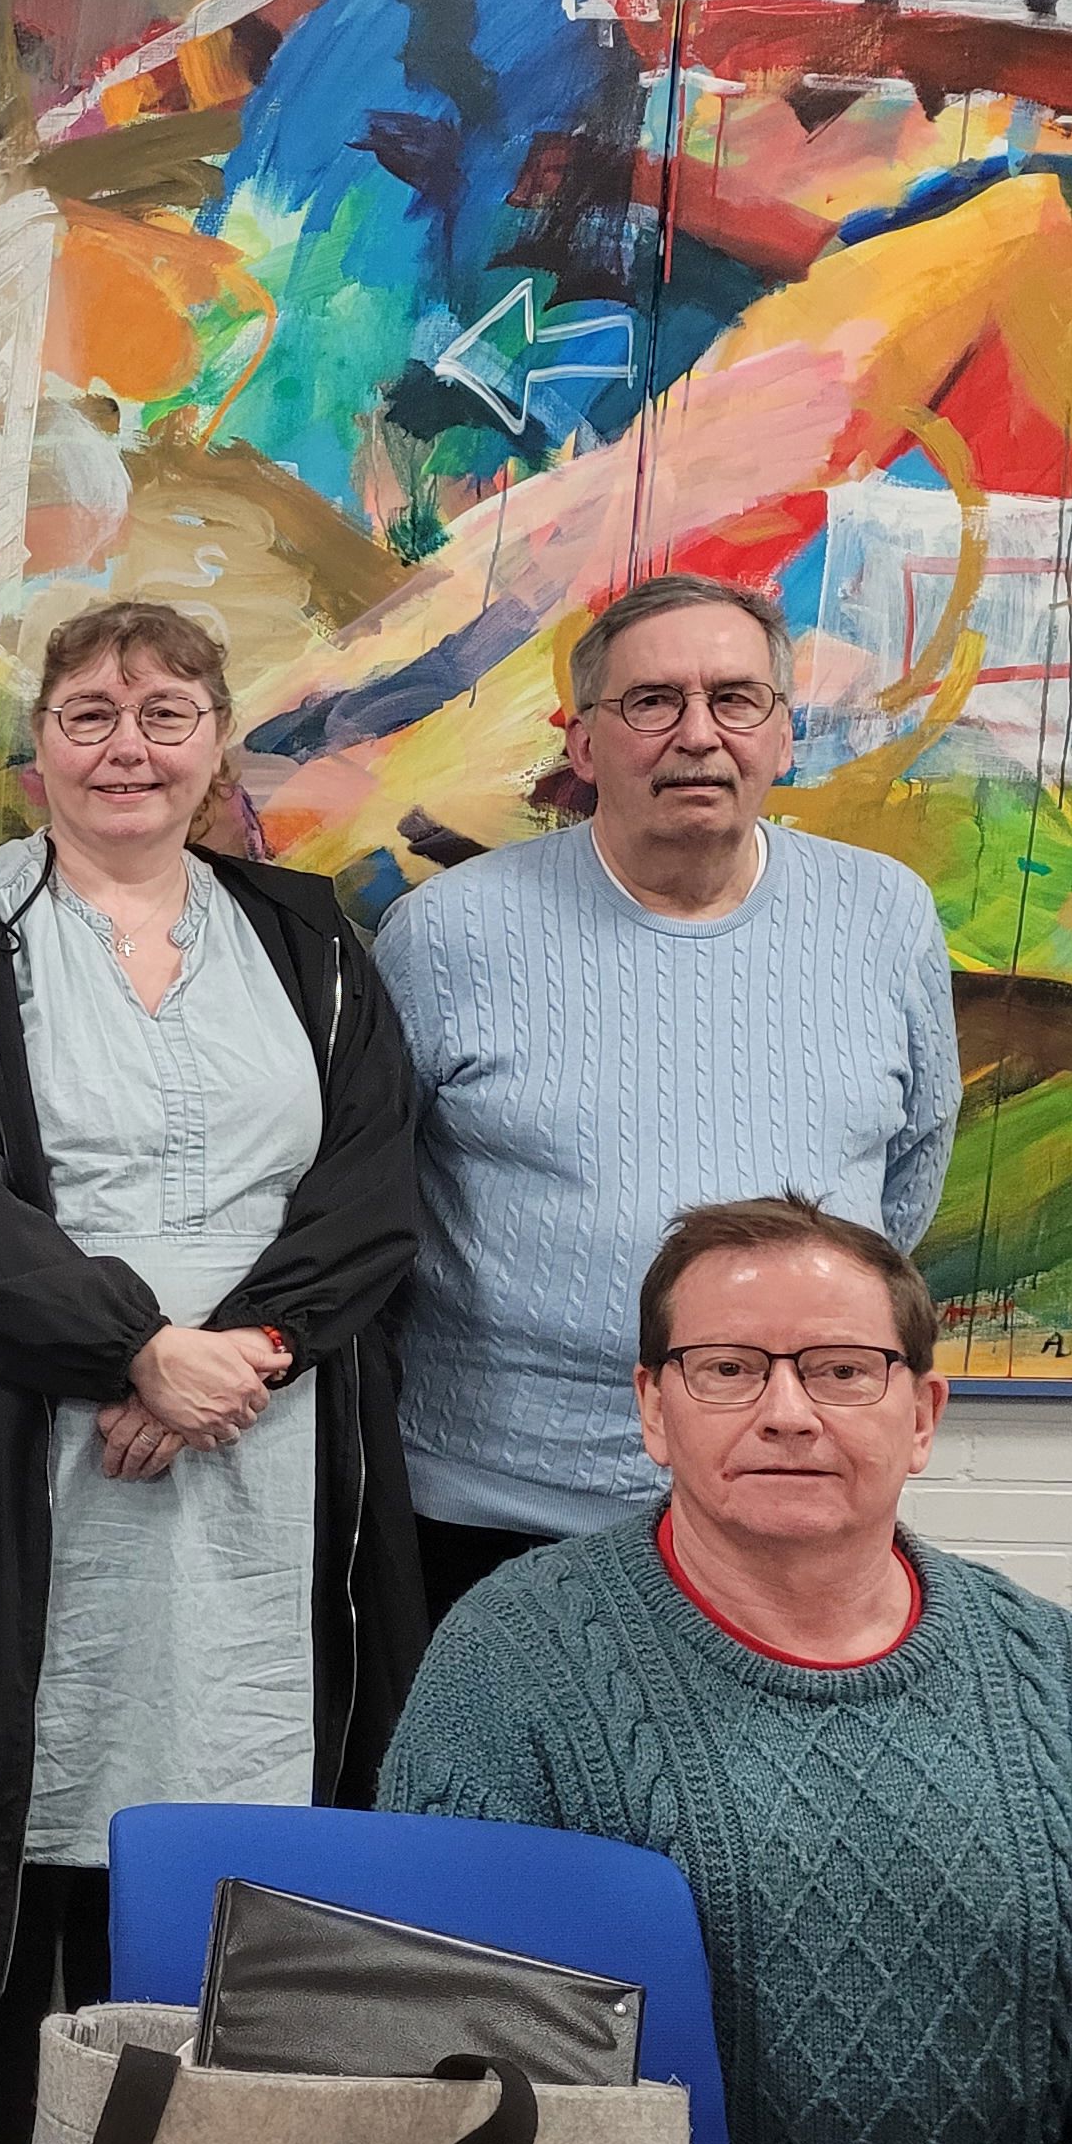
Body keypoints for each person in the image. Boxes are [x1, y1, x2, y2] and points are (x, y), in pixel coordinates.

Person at [0, 599, 426, 2144]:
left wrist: (233, 1355)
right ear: (37, 747)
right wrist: (133, 1350)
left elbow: (373, 1187)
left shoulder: (305, 937)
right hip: (20, 1449)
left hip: (266, 1452)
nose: (128, 747)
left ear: (217, 744)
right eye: (90, 715)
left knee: (231, 1795)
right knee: (28, 1786)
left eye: (167, 714)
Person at [385, 1197, 1072, 2144]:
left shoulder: (1050, 1669)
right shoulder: (513, 1659)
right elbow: (441, 2056)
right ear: (654, 1410)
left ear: (923, 1416)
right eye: (728, 1368)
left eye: (843, 1370)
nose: (788, 1413)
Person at [376, 575, 958, 1618]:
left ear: (783, 733)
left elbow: (910, 1167)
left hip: (791, 1502)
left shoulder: (887, 916)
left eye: (735, 699)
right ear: (583, 744)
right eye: (651, 702)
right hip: (493, 1510)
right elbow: (374, 1191)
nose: (698, 734)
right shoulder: (446, 933)